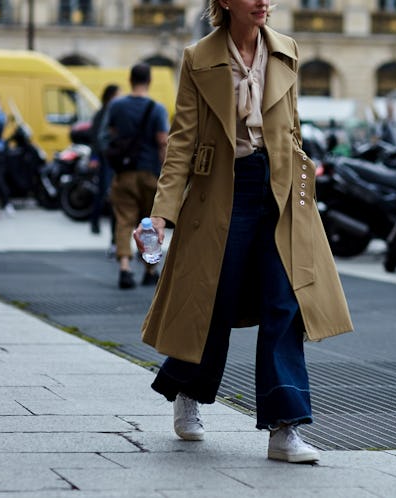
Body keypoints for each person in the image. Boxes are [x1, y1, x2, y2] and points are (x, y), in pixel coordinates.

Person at [134, 0, 353, 463]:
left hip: (280, 192)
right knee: (212, 299)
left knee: (283, 304)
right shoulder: (199, 57)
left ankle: (284, 427)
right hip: (221, 191)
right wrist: (161, 213)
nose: (262, 2)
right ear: (225, 2)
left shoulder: (287, 50)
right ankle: (187, 392)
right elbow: (182, 141)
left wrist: (304, 179)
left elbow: (291, 129)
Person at [101, 65, 168, 289]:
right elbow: (162, 141)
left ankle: (124, 267)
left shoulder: (116, 106)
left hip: (124, 173)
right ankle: (150, 270)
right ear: (149, 81)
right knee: (148, 222)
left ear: (130, 80)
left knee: (123, 220)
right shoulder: (157, 109)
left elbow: (108, 136)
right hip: (149, 173)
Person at [89, 84, 120, 240]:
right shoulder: (104, 113)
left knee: (104, 190)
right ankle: (95, 222)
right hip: (105, 157)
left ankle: (96, 222)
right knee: (104, 190)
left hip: (107, 157)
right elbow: (96, 137)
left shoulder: (109, 111)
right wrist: (94, 156)